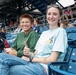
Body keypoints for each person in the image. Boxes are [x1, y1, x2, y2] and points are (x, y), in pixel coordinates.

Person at [0, 4, 68, 75]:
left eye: (54, 14)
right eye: (49, 14)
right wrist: (29, 53)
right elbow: (35, 53)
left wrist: (31, 59)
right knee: (1, 56)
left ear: (60, 17)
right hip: (33, 63)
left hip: (45, 68)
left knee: (9, 68)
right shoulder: (44, 33)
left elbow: (52, 59)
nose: (51, 16)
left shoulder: (60, 31)